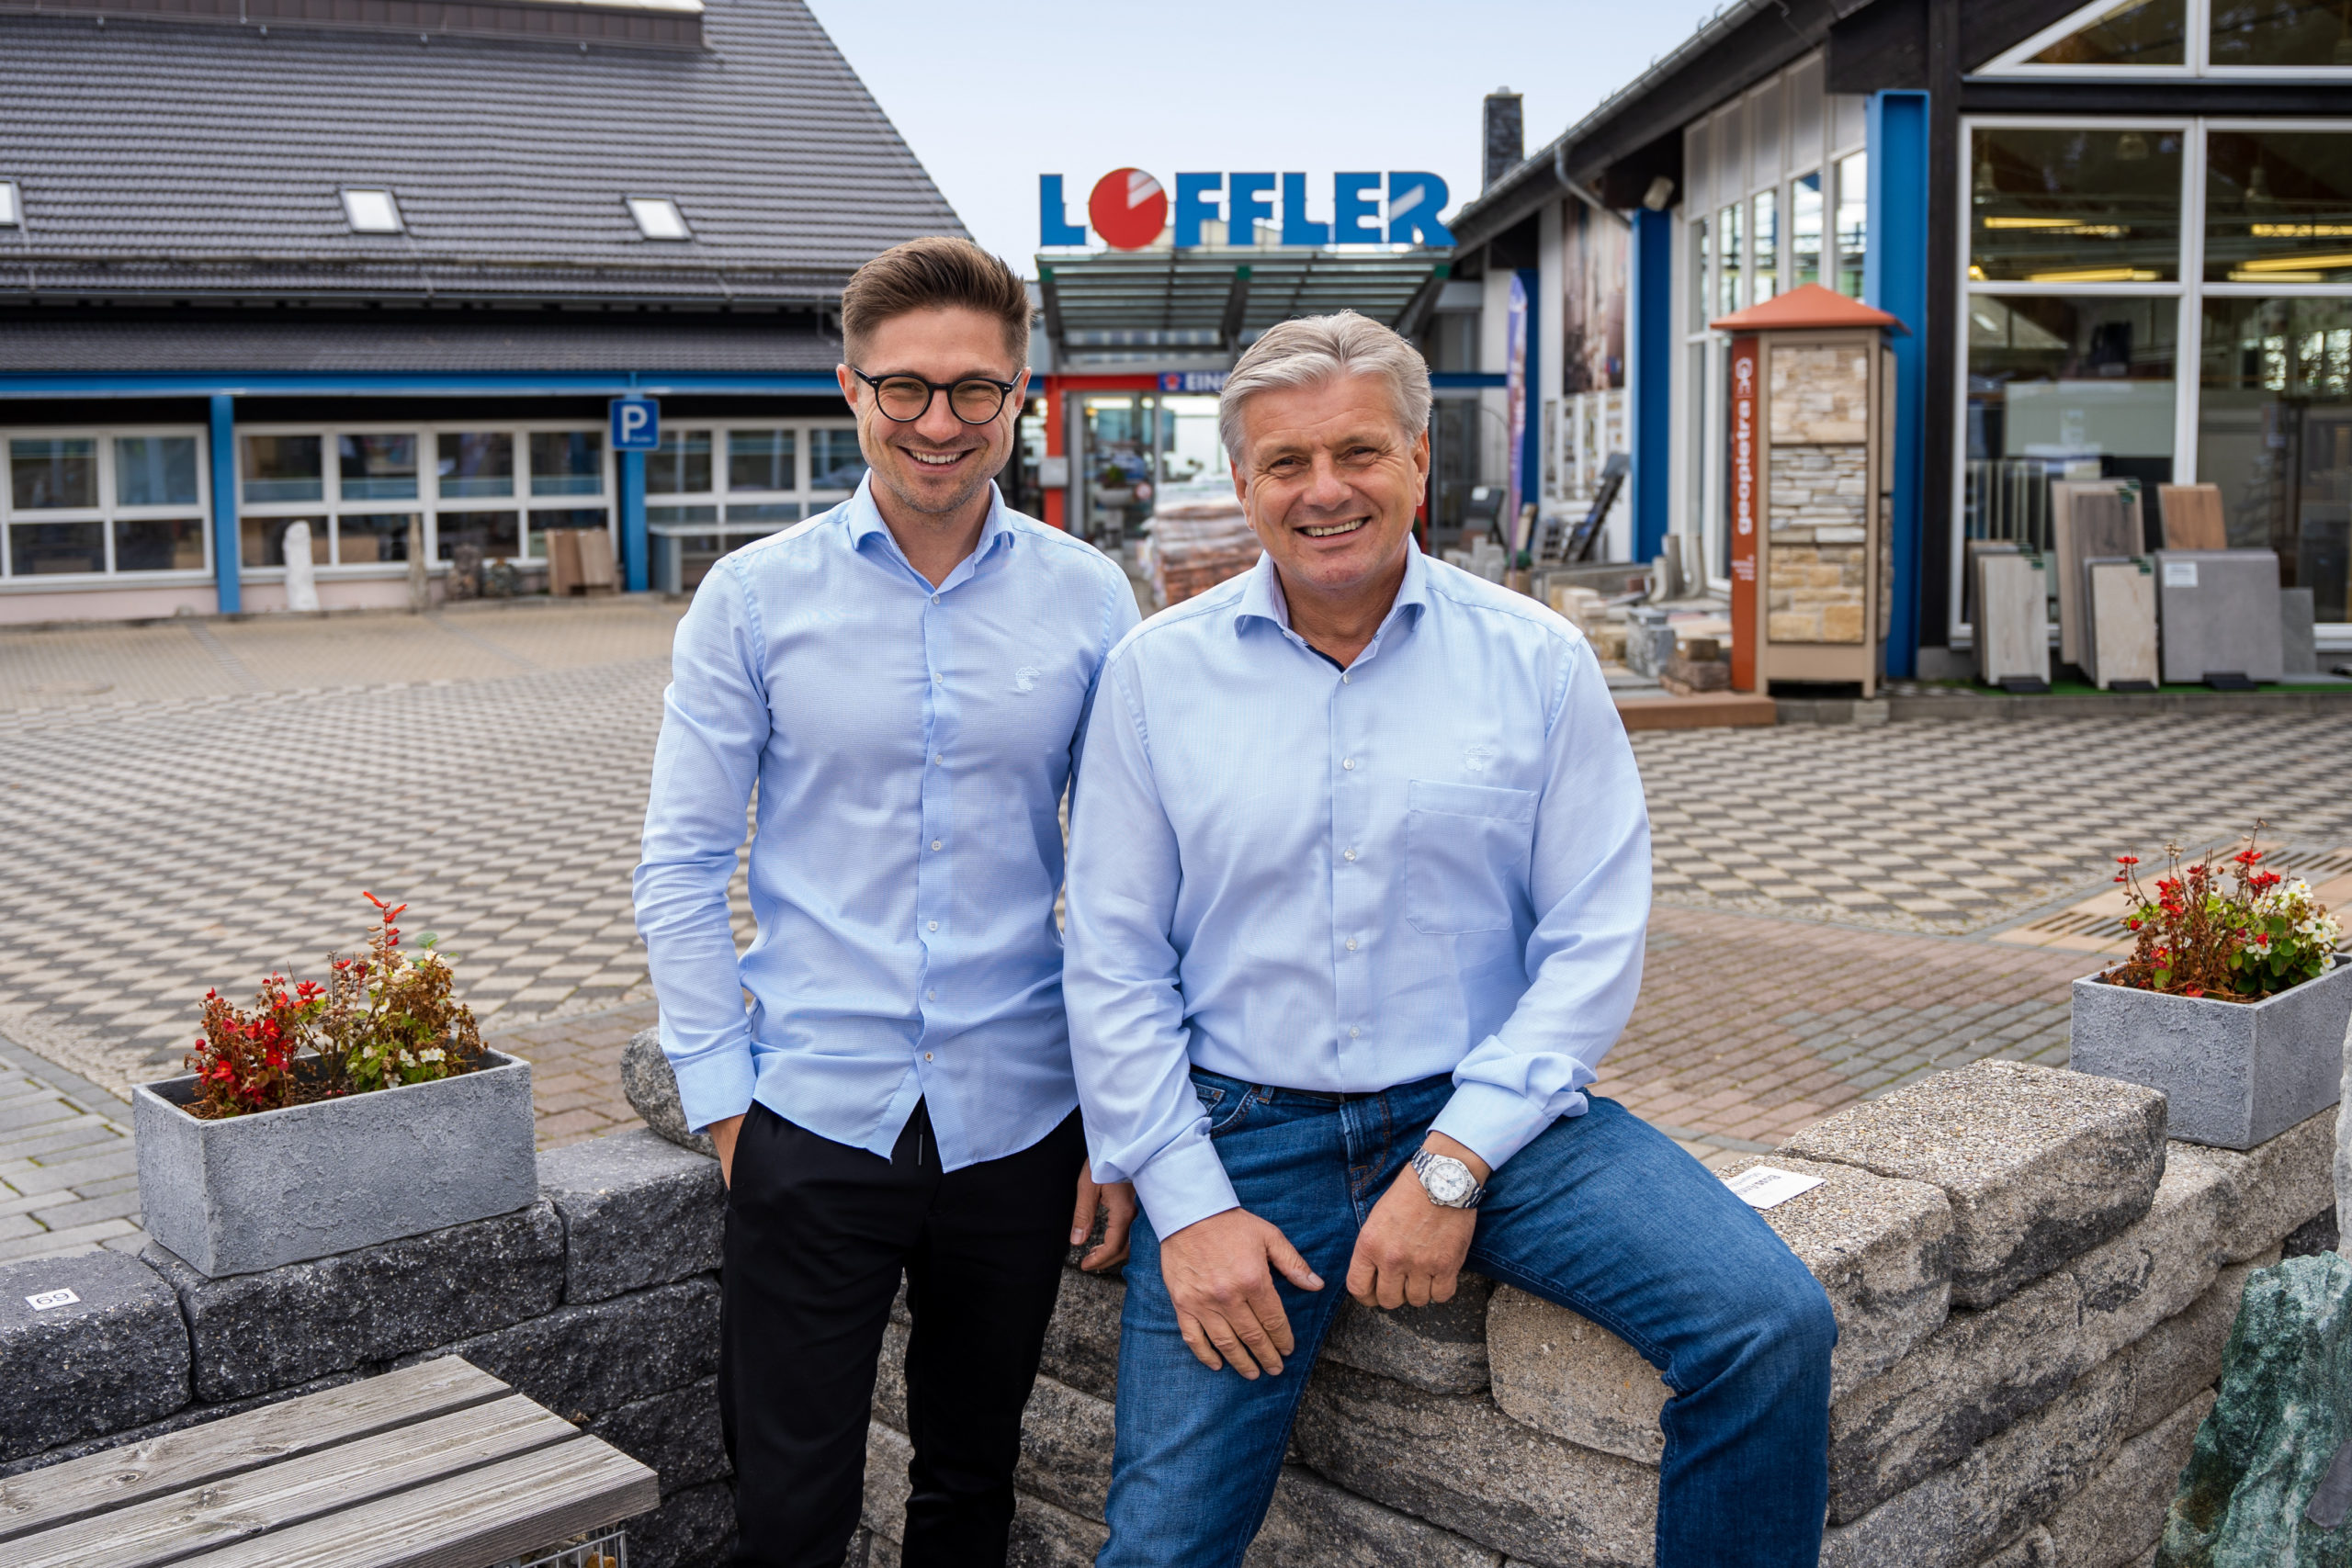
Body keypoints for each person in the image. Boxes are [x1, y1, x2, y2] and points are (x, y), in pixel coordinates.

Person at [1062, 310, 1836, 1568]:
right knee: (1159, 1546)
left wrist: (1452, 1167)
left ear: (1420, 462)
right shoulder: (1155, 676)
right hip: (1244, 1131)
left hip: (1498, 1116)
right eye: (1285, 464)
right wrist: (1185, 1201)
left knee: (1768, 1323)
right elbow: (1111, 959)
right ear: (1246, 485)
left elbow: (1593, 939)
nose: (1325, 492)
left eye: (1358, 453)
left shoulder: (1535, 660)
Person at [635, 236, 1141, 1568]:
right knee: (789, 1508)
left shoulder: (1092, 599)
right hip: (810, 1115)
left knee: (971, 1491)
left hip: (1021, 1124)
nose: (938, 421)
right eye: (904, 387)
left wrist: (1122, 1119)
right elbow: (680, 866)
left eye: (973, 390)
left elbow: (1128, 884)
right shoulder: (752, 599)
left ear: (1020, 393)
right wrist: (729, 1106)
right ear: (850, 390)